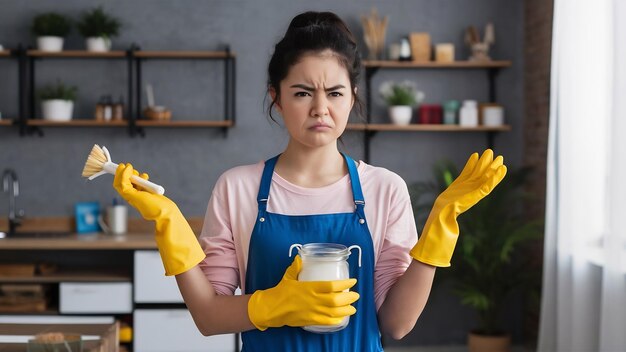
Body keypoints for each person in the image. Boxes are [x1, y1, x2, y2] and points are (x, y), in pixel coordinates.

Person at [112, 11, 507, 352]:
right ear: (277, 97)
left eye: (334, 93)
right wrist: (170, 224)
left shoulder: (385, 189)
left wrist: (441, 223)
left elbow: (395, 325)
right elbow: (209, 316)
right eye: (302, 93)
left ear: (352, 97)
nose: (320, 109)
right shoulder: (238, 188)